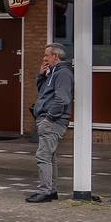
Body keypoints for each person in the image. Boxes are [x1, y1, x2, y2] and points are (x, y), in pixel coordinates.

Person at [27, 43, 74, 203]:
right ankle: (51, 190)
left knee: (43, 156)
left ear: (55, 56)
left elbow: (62, 99)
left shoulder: (63, 74)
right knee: (50, 156)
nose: (44, 58)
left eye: (46, 55)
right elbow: (43, 93)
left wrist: (49, 118)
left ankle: (45, 191)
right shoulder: (53, 73)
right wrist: (41, 75)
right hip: (48, 120)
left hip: (53, 122)